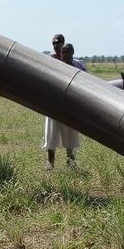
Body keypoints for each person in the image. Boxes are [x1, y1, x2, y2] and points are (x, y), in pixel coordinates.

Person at [43, 39, 82, 169]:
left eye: (68, 52)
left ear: (73, 53)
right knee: (51, 134)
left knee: (70, 134)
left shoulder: (77, 67)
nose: (65, 54)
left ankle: (70, 162)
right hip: (54, 104)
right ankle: (50, 162)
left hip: (70, 105)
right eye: (63, 52)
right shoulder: (55, 65)